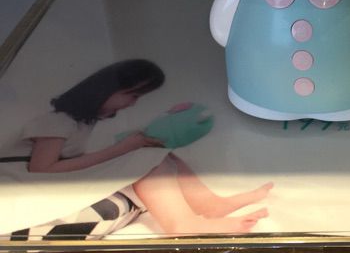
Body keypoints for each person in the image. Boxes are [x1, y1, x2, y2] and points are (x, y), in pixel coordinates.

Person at [0, 59, 271, 241]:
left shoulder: (80, 122)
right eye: (132, 95)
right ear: (105, 90)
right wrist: (122, 149)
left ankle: (209, 204)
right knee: (144, 155)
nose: (132, 103)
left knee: (156, 151)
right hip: (23, 186)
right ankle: (182, 225)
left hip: (43, 182)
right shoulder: (57, 121)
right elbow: (41, 169)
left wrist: (128, 147)